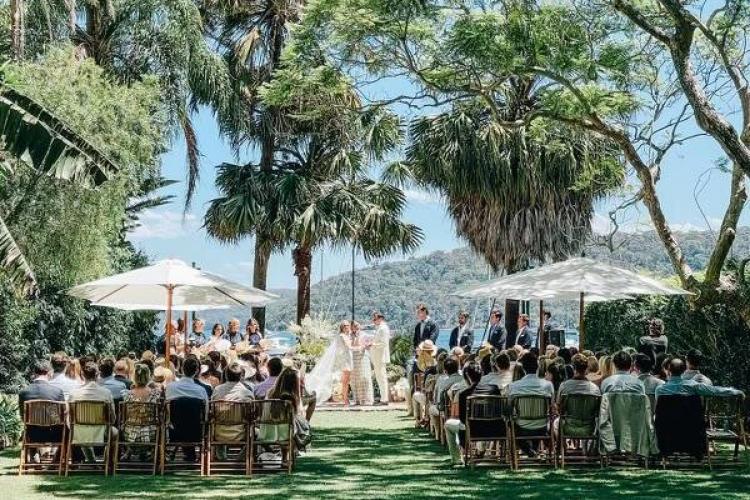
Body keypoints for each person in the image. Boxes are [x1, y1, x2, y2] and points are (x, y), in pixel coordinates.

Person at [18, 361, 66, 463]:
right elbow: (61, 416)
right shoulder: (57, 391)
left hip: (32, 434)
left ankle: (35, 457)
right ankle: (56, 461)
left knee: (29, 425)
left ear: (35, 373)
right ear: (49, 373)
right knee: (68, 431)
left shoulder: (24, 392)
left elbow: (23, 416)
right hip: (54, 434)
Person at [70, 362, 117, 463]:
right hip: (100, 431)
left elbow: (69, 418)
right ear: (97, 375)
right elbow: (112, 419)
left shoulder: (73, 393)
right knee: (115, 432)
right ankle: (108, 462)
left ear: (82, 375)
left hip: (78, 432)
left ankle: (92, 461)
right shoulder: (106, 393)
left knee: (82, 431)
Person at [444, 361, 484, 465]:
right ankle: (480, 449)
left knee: (448, 424)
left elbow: (462, 419)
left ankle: (456, 459)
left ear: (467, 376)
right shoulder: (494, 389)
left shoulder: (464, 394)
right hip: (493, 429)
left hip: (471, 429)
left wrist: (463, 442)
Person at [120, 363, 162, 459]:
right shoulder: (155, 394)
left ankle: (128, 452)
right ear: (148, 376)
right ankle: (154, 453)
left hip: (129, 435)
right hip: (151, 435)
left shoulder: (127, 394)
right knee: (161, 425)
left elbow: (124, 415)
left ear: (134, 376)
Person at [655, 357, 743, 400]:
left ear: (669, 372)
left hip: (666, 431)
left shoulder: (660, 390)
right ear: (684, 370)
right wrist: (735, 391)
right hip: (688, 429)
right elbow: (715, 390)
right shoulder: (693, 386)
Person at [428, 356, 463, 431]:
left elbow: (439, 401)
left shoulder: (444, 383)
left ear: (445, 371)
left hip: (448, 412)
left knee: (431, 409)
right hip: (463, 410)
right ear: (457, 368)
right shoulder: (464, 379)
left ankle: (438, 434)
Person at [350, 321, 374, 406]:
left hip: (363, 357)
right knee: (355, 379)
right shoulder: (350, 336)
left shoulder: (364, 334)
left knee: (364, 377)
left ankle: (366, 399)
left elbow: (371, 342)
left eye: (357, 325)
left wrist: (367, 345)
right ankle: (357, 400)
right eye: (354, 326)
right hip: (353, 358)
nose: (356, 327)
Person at [370, 311, 391, 405]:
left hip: (380, 356)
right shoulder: (380, 328)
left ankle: (384, 399)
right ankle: (383, 397)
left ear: (380, 318)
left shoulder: (383, 328)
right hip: (377, 356)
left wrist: (372, 344)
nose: (373, 321)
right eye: (373, 319)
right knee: (379, 377)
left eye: (375, 319)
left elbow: (383, 343)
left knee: (381, 377)